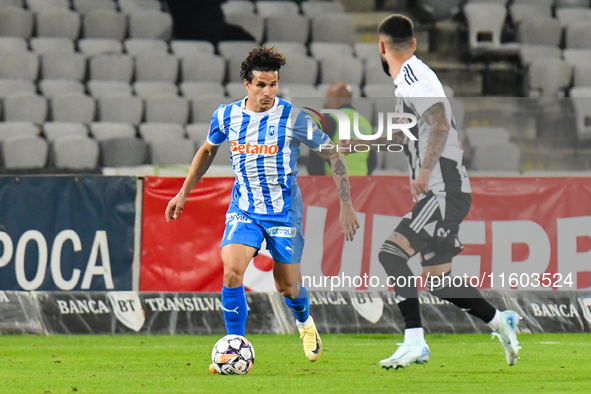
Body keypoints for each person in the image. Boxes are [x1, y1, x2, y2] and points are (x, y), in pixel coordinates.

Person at [341, 14, 521, 369]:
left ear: (381, 46)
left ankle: (414, 341)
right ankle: (501, 321)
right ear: (414, 43)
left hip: (443, 188)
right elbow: (405, 133)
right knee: (438, 280)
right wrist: (358, 143)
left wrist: (424, 170)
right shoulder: (412, 78)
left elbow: (439, 120)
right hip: (445, 188)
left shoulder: (412, 77)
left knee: (391, 254)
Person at [165, 47, 360, 372]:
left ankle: (304, 321)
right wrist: (183, 191)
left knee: (288, 287)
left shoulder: (294, 118)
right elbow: (208, 150)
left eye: (273, 84)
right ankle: (235, 347)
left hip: (284, 213)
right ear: (247, 84)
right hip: (245, 209)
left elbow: (333, 155)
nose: (268, 92)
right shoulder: (226, 115)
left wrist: (346, 205)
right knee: (231, 272)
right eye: (261, 85)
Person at [307, 82, 377, 176]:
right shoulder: (366, 124)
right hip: (361, 186)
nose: (326, 103)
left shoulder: (329, 121)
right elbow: (372, 161)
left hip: (333, 185)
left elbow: (314, 161)